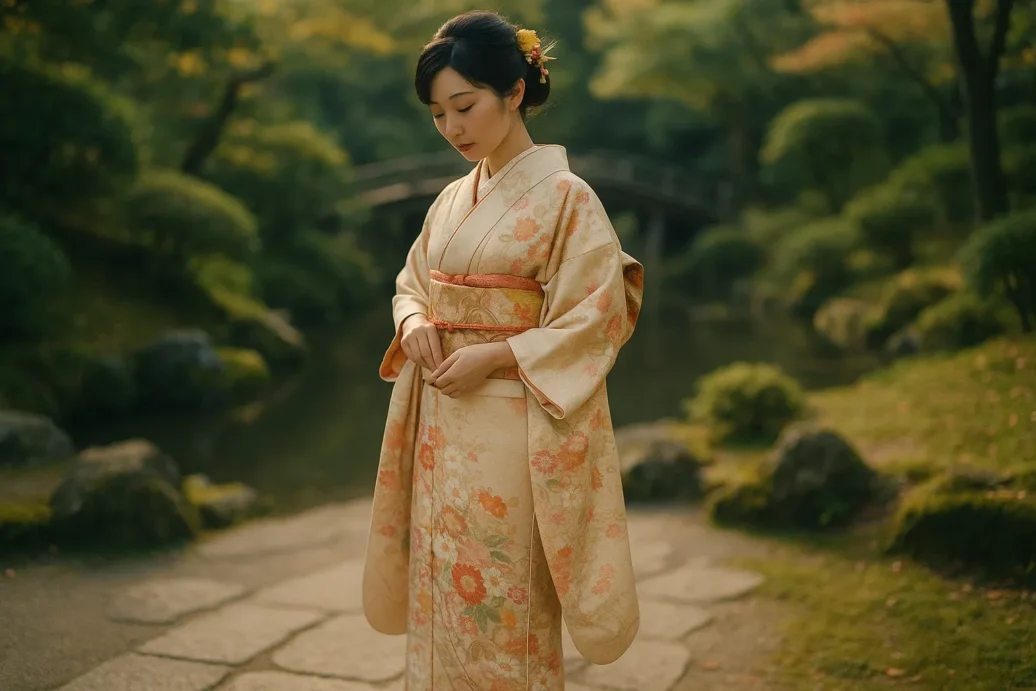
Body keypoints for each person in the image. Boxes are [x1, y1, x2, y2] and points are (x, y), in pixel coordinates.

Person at [362, 10, 644, 690]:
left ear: (515, 93)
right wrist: (413, 323)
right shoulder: (452, 199)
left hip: (512, 427)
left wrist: (496, 355)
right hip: (440, 423)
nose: (453, 128)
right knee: (442, 586)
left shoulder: (568, 198)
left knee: (503, 589)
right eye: (437, 114)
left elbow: (598, 311)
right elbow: (410, 283)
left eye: (465, 105)